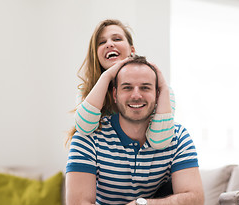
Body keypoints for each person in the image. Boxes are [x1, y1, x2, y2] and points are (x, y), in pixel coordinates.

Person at [65, 56, 208, 205]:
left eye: (145, 87)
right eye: (127, 87)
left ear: (157, 94)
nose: (136, 95)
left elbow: (194, 201)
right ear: (115, 94)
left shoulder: (177, 136)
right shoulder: (89, 137)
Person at [69, 19, 175, 149]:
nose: (109, 44)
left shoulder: (160, 91)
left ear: (132, 50)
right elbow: (83, 128)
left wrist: (163, 88)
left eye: (117, 39)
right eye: (102, 42)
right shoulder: (87, 91)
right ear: (96, 55)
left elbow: (160, 141)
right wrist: (107, 76)